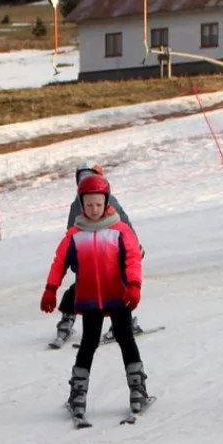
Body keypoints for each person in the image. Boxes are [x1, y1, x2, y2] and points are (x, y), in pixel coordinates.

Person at [40, 174, 153, 418]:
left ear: (106, 203)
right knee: (88, 344)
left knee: (125, 339)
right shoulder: (74, 235)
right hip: (90, 299)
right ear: (82, 205)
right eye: (89, 205)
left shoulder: (120, 231)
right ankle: (78, 393)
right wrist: (51, 288)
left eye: (98, 204)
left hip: (119, 295)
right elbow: (59, 263)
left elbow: (133, 259)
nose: (93, 209)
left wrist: (134, 285)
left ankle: (137, 389)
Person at [54, 161, 145, 343]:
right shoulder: (76, 205)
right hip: (89, 256)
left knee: (116, 289)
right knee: (81, 289)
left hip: (112, 254)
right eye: (82, 179)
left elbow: (124, 224)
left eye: (90, 177)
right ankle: (67, 318)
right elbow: (71, 231)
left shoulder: (109, 201)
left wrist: (135, 246)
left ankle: (123, 323)